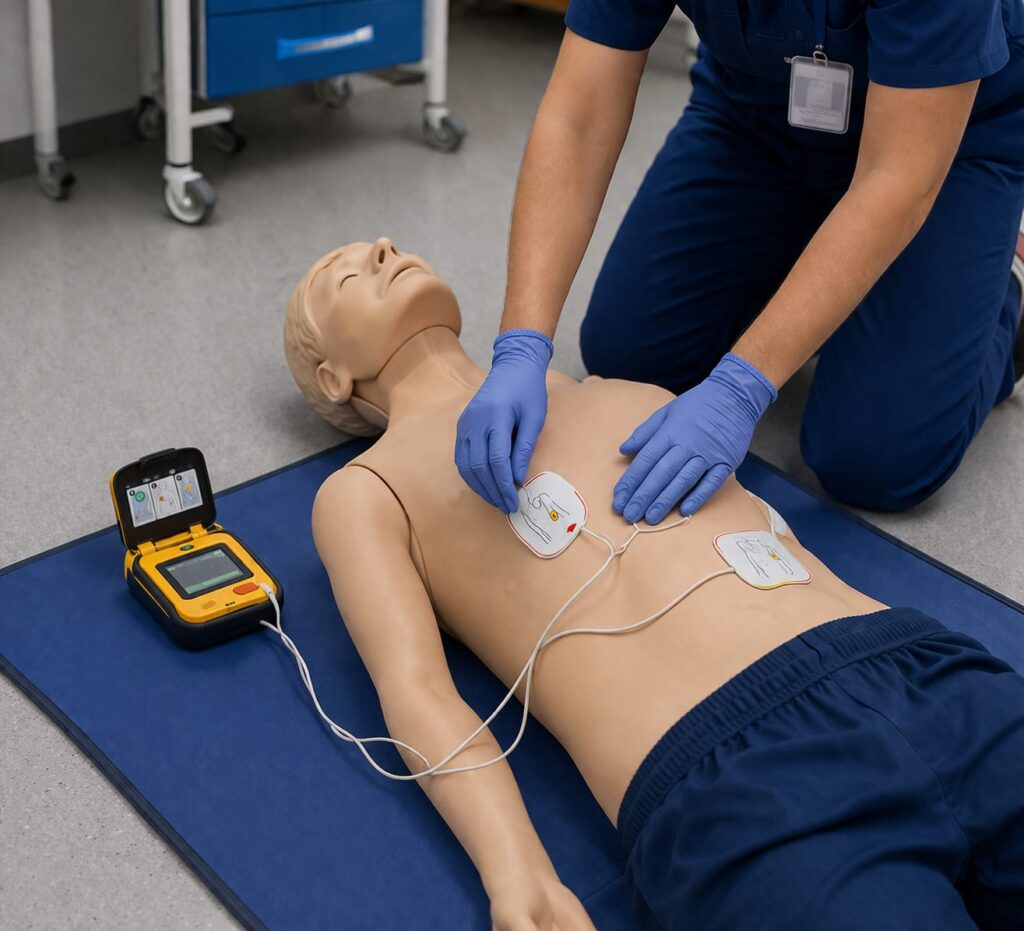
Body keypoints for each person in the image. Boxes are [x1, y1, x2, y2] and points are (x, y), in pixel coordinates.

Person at [285, 238, 1024, 931]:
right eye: (347, 274)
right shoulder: (365, 491)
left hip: (921, 672)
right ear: (332, 379)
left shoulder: (621, 390)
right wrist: (520, 874)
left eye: (387, 243)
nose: (383, 249)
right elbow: (416, 690)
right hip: (742, 783)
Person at [455, 0, 1024, 524]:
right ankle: (818, 278)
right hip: (759, 115)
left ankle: (1007, 295)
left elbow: (897, 177)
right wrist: (522, 342)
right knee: (630, 358)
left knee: (875, 459)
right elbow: (579, 116)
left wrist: (739, 387)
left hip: (951, 138)